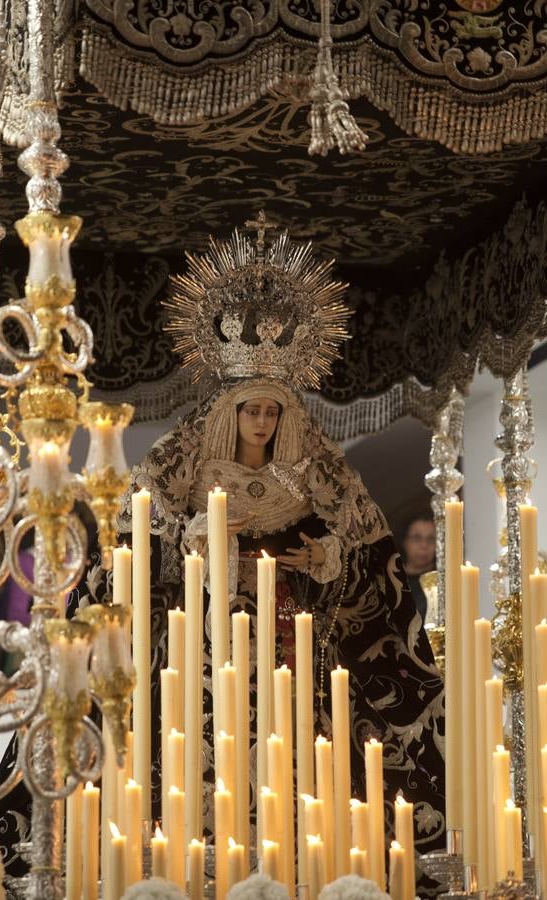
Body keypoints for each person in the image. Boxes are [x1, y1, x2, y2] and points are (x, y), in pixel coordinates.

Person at [115, 217, 445, 894]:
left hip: (296, 647)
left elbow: (367, 560)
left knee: (299, 758)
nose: (261, 423)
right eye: (250, 411)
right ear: (228, 412)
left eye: (271, 411)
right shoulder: (182, 466)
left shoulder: (316, 472)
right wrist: (195, 546)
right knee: (206, 754)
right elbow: (133, 546)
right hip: (206, 652)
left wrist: (323, 560)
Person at [400, 514, 436, 622]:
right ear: (405, 541)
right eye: (417, 538)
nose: (424, 545)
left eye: (430, 539)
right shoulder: (392, 579)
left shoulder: (442, 582)